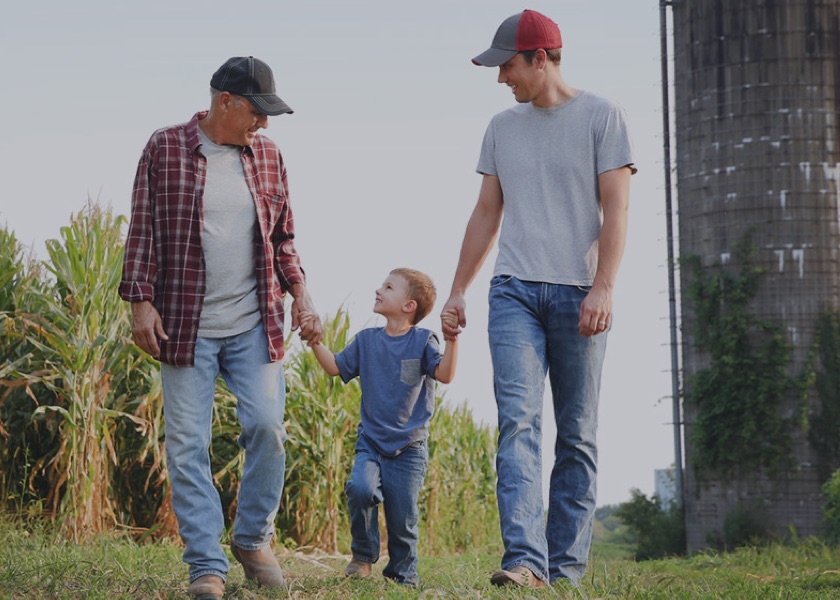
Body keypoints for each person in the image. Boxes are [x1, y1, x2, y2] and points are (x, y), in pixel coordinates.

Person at [440, 10, 636, 589]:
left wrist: (604, 286)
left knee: (577, 433)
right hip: (514, 293)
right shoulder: (502, 128)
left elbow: (617, 209)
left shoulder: (603, 117)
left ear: (540, 60)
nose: (501, 78)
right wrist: (456, 290)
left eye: (507, 66)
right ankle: (525, 561)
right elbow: (485, 213)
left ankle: (566, 570)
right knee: (518, 423)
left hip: (581, 294)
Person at [119, 56, 323, 600]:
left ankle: (253, 539)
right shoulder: (165, 148)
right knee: (188, 445)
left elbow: (283, 239)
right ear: (224, 102)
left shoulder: (269, 156)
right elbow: (142, 230)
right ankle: (205, 565)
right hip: (185, 325)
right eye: (258, 112)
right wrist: (140, 301)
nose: (265, 124)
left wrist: (301, 295)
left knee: (268, 429)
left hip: (254, 321)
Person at [301, 268, 458, 587]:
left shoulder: (422, 340)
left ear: (408, 305)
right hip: (371, 443)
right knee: (360, 488)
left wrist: (453, 339)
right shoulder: (366, 341)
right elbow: (335, 367)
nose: (378, 290)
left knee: (403, 518)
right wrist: (315, 342)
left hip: (409, 448)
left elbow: (444, 375)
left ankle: (403, 574)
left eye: (388, 287)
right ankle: (363, 555)